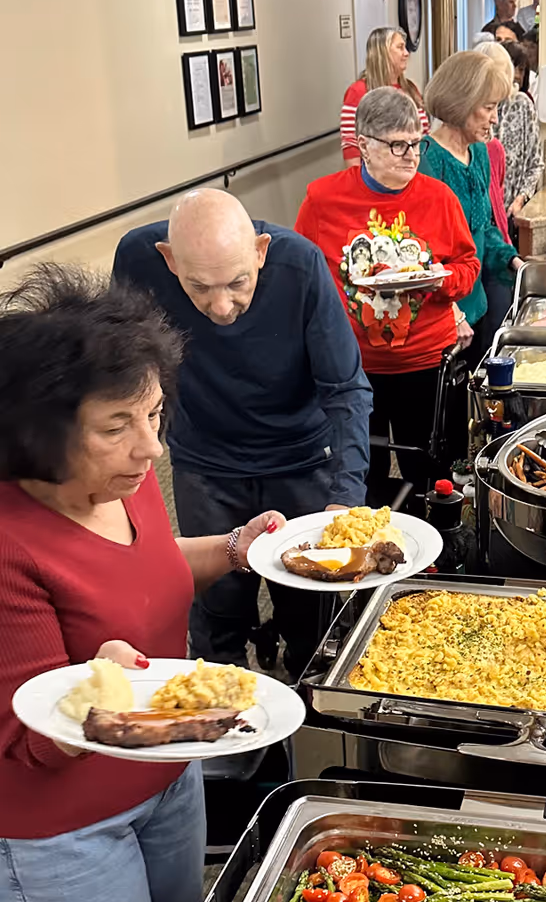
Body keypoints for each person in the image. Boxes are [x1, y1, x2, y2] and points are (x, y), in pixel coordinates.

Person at [0, 265, 286, 902]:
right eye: (118, 424)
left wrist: (239, 550)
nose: (148, 448)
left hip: (166, 790)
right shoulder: (9, 539)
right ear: (43, 430)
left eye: (155, 416)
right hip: (60, 831)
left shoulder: (124, 490)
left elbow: (158, 577)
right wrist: (101, 683)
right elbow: (29, 728)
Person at [113, 189, 371, 676]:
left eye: (237, 283)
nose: (222, 305)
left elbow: (347, 389)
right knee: (214, 614)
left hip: (300, 459)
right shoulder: (138, 258)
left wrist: (345, 495)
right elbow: (123, 371)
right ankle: (227, 731)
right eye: (199, 287)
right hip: (205, 464)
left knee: (311, 612)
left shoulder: (301, 265)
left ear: (260, 251)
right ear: (169, 260)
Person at [296, 88, 480, 507]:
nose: (411, 155)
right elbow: (304, 280)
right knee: (359, 480)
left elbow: (468, 268)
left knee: (432, 478)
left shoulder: (439, 198)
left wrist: (440, 281)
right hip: (351, 370)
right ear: (363, 144)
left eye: (417, 143)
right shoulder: (322, 199)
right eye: (398, 145)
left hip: (423, 364)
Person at [418, 50, 523, 356]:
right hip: (443, 314)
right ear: (460, 104)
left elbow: (484, 229)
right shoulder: (427, 160)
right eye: (489, 107)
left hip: (475, 304)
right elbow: (422, 256)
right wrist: (452, 312)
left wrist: (514, 262)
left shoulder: (480, 153)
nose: (495, 118)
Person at [340, 26, 428, 167]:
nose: (406, 53)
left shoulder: (410, 89)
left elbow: (424, 135)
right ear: (382, 53)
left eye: (405, 48)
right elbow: (351, 146)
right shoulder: (358, 91)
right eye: (400, 47)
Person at [492, 40, 544, 222]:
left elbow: (535, 162)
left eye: (522, 70)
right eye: (513, 68)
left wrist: (520, 199)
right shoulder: (473, 109)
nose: (517, 75)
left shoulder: (522, 104)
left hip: (510, 213)